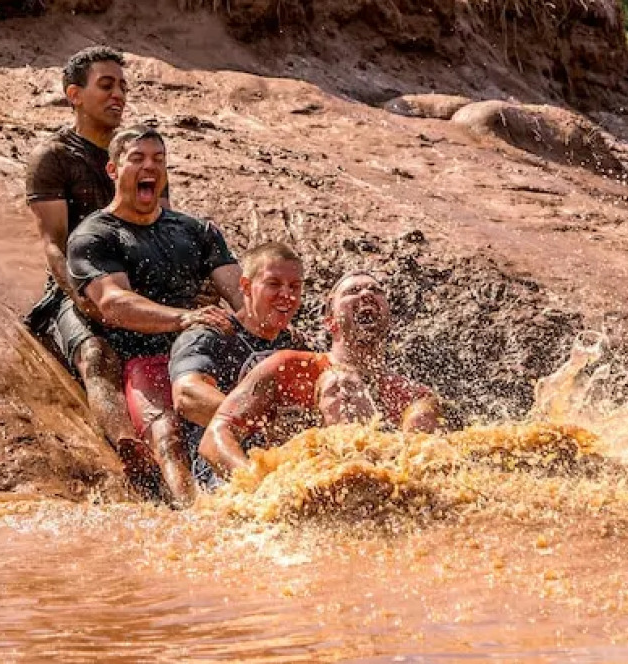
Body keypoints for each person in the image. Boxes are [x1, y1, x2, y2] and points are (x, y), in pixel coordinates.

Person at [67, 127, 243, 504]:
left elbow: (240, 292)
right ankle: (192, 515)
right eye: (137, 159)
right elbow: (113, 303)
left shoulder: (195, 230)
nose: (150, 167)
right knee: (169, 438)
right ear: (113, 170)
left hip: (197, 355)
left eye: (158, 160)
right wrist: (184, 318)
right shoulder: (93, 236)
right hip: (140, 358)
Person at [25, 47, 161, 481]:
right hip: (76, 289)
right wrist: (83, 298)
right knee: (97, 354)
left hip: (138, 283)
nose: (118, 94)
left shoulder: (139, 157)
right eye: (106, 85)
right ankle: (130, 451)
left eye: (122, 86)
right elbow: (53, 244)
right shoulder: (54, 157)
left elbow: (158, 227)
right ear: (75, 95)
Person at [200, 271, 445, 478]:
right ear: (330, 322)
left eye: (375, 290)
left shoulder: (412, 395)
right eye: (352, 291)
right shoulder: (288, 367)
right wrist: (256, 487)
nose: (366, 294)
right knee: (340, 380)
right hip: (300, 491)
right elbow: (216, 435)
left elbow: (427, 461)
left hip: (382, 494)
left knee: (424, 414)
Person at [169, 242, 306, 485]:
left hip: (286, 461)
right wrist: (264, 422)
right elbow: (187, 395)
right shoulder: (210, 336)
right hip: (219, 467)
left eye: (294, 287)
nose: (286, 295)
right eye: (274, 284)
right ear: (246, 286)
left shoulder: (296, 344)